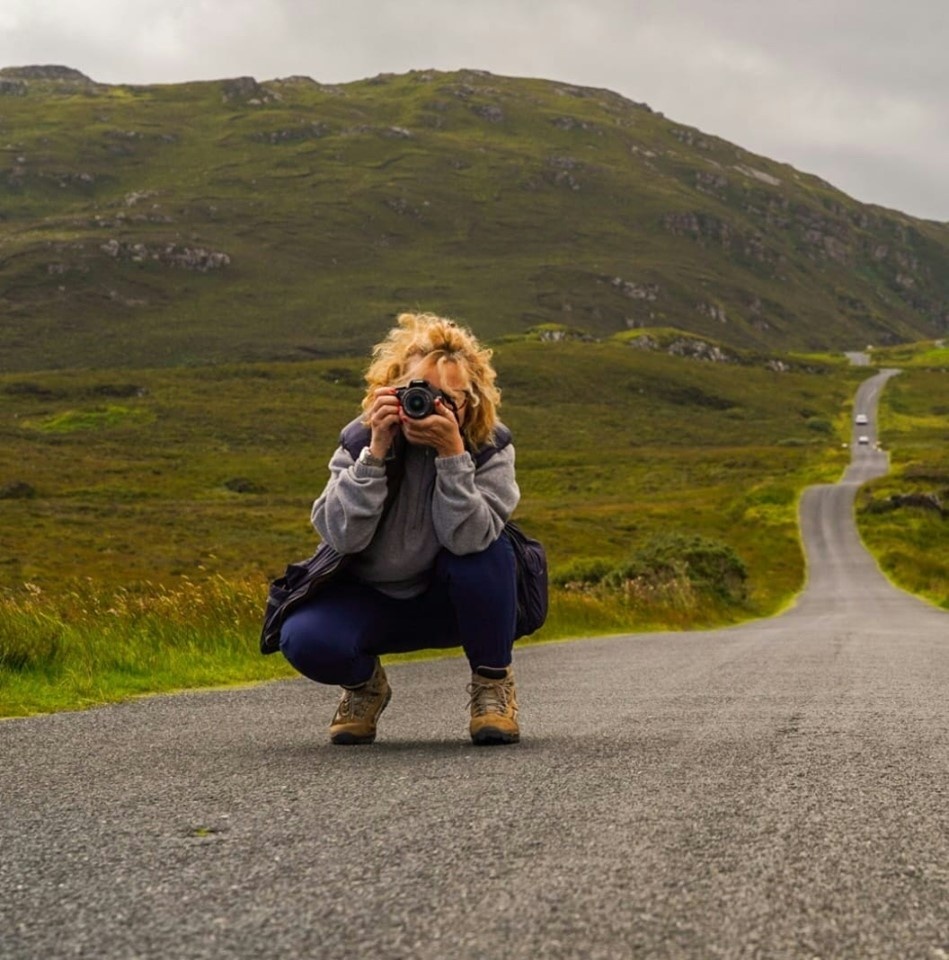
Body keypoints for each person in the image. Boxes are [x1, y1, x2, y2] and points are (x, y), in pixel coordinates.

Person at [279, 312, 522, 746]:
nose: (432, 405)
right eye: (420, 393)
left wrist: (452, 456)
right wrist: (374, 454)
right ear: (392, 390)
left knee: (490, 549)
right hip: (372, 599)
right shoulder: (360, 441)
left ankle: (491, 682)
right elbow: (340, 536)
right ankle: (365, 686)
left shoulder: (489, 448)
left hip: (450, 600)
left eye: (452, 397)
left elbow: (468, 540)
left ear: (473, 401)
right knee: (302, 639)